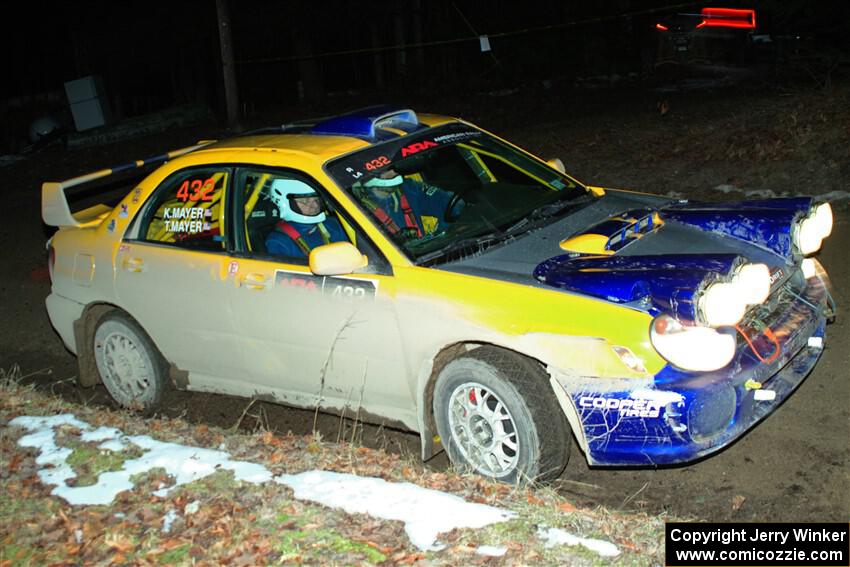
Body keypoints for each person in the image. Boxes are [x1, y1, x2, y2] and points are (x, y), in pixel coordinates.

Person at [355, 168, 457, 239]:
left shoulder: (408, 188)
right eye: (385, 168)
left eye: (394, 166)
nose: (394, 171)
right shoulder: (349, 205)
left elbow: (453, 204)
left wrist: (440, 237)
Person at [265, 179, 348, 258]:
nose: (315, 206)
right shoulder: (279, 241)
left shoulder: (334, 224)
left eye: (316, 200)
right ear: (283, 203)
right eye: (305, 201)